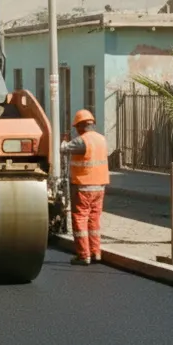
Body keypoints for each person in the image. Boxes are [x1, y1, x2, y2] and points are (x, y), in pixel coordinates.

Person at [61, 109, 110, 265]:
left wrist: (63, 140)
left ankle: (83, 255)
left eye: (76, 127)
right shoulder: (102, 139)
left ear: (81, 126)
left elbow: (63, 149)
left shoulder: (82, 141)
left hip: (83, 186)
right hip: (100, 187)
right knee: (94, 220)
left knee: (80, 219)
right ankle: (96, 253)